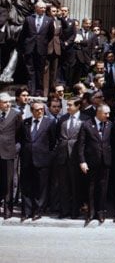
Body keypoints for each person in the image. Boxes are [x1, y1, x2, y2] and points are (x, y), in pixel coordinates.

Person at [76, 103, 113, 224]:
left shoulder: (109, 124)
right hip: (91, 161)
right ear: (98, 113)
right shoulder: (86, 125)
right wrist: (82, 161)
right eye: (105, 113)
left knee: (103, 187)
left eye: (109, 113)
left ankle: (101, 212)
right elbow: (81, 145)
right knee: (91, 187)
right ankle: (91, 212)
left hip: (105, 161)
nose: (108, 115)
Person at [19, 99, 55, 221]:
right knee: (26, 186)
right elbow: (21, 139)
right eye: (37, 110)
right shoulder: (25, 123)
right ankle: (26, 211)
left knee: (41, 187)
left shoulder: (49, 123)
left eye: (42, 109)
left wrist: (48, 156)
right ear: (31, 111)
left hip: (42, 159)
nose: (40, 111)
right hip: (27, 160)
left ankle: (37, 211)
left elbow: (53, 141)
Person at [0, 91, 23, 219]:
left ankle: (8, 209)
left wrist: (16, 148)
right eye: (5, 102)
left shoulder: (16, 114)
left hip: (9, 152)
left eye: (9, 102)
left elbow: (20, 133)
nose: (8, 104)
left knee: (8, 181)